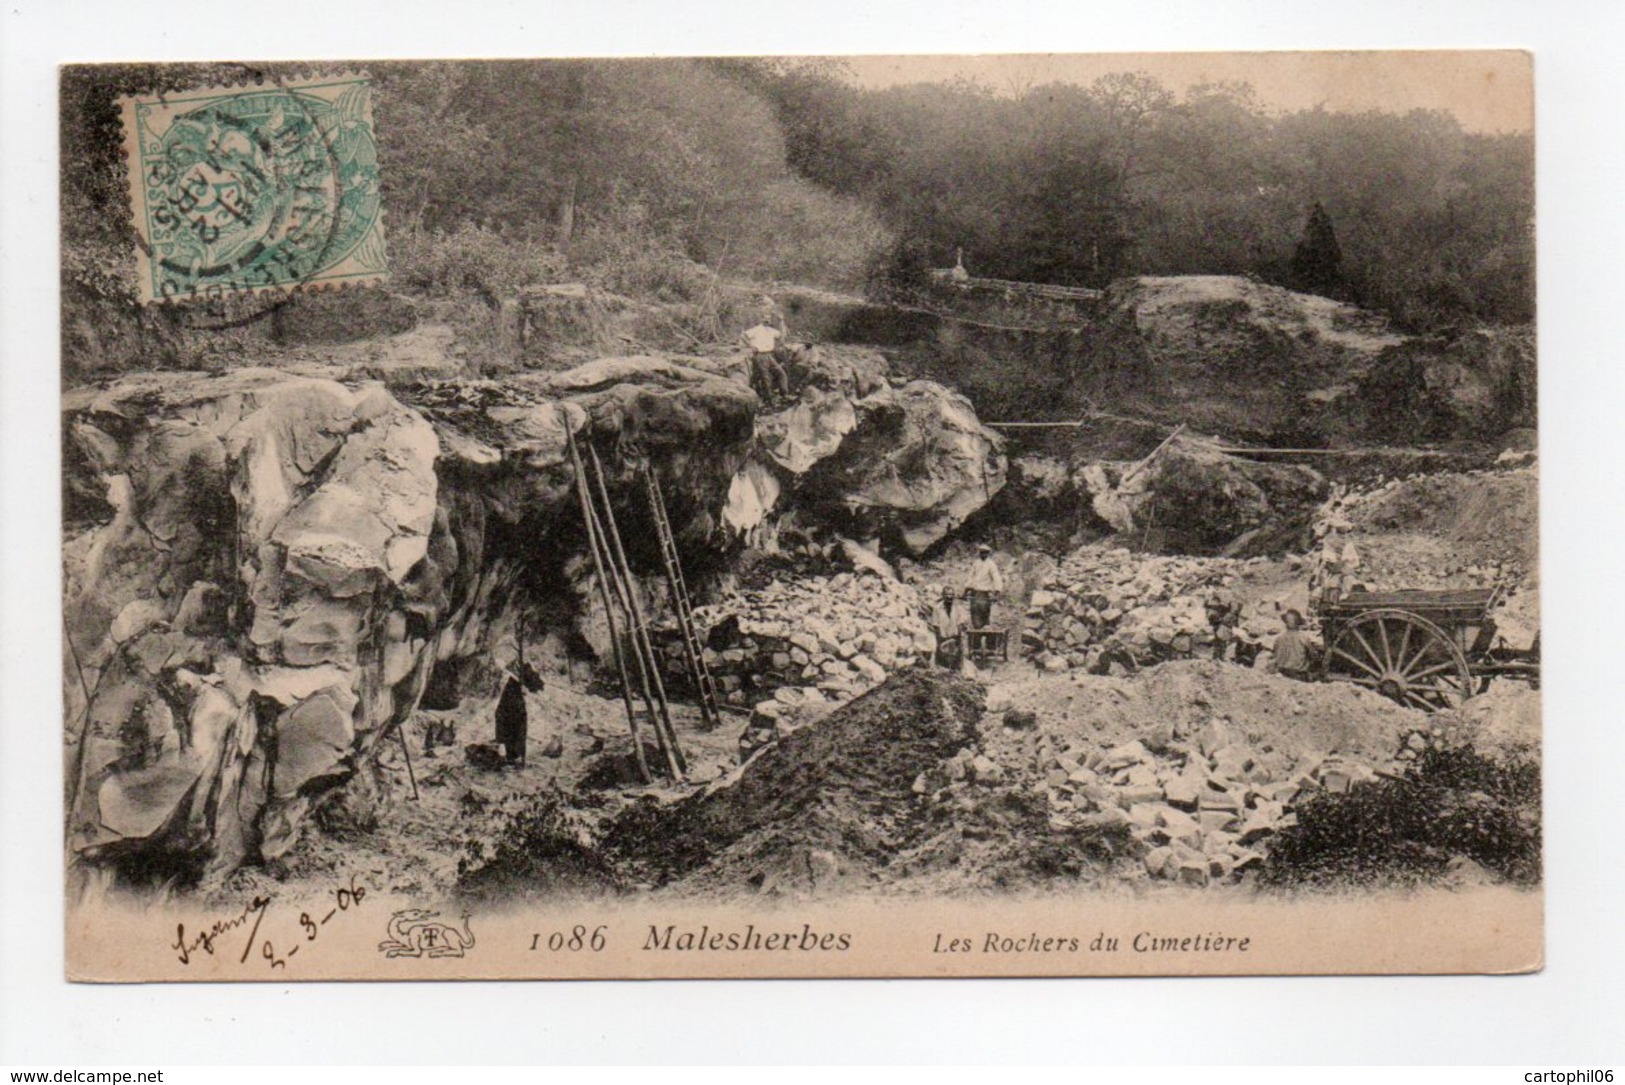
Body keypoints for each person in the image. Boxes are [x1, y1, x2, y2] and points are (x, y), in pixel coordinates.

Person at [928, 586, 968, 669]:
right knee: (943, 660)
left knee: (956, 658)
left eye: (951, 594)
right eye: (947, 594)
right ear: (943, 595)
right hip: (943, 637)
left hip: (954, 636)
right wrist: (939, 640)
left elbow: (960, 623)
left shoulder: (957, 608)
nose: (949, 596)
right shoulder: (937, 608)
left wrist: (959, 638)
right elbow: (936, 625)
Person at [965, 543, 1003, 629]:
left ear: (988, 553)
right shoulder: (976, 563)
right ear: (979, 553)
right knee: (974, 615)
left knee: (984, 616)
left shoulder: (991, 565)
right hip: (974, 593)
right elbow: (970, 577)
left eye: (985, 552)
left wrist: (996, 593)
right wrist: (966, 591)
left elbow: (996, 578)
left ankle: (987, 635)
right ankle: (976, 638)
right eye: (981, 552)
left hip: (984, 594)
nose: (983, 554)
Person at [494, 672, 529, 767]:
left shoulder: (514, 694)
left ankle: (516, 756)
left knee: (517, 732)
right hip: (511, 723)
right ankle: (514, 757)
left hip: (514, 722)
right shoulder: (512, 695)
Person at [1270, 609, 1314, 681]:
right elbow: (1313, 656)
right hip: (1298, 676)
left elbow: (1275, 654)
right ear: (1299, 624)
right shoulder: (1304, 638)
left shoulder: (1278, 639)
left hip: (1281, 675)